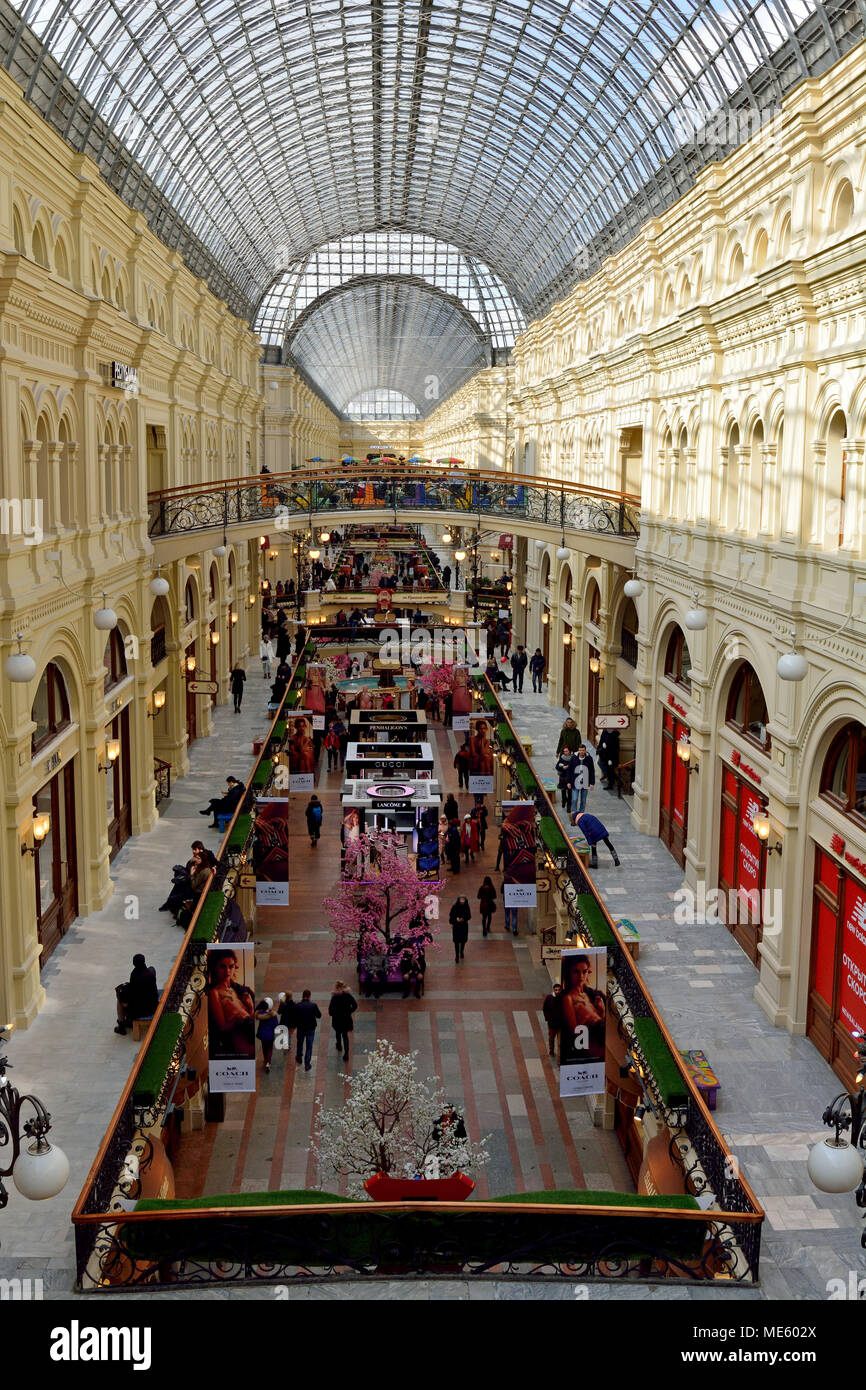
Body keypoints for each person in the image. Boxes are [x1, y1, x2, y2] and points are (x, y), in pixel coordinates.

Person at [206, 949, 255, 1058]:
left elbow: (249, 1016)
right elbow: (222, 1027)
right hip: (238, 1039)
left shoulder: (237, 990)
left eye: (231, 966)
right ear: (215, 968)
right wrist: (238, 1021)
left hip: (250, 1032)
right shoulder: (214, 992)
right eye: (222, 967)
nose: (227, 971)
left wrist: (250, 1007)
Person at [561, 955, 606, 1060]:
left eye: (584, 972)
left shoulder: (589, 995)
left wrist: (602, 1011)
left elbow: (601, 1020)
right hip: (589, 1048)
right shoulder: (568, 998)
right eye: (576, 972)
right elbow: (574, 1032)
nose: (581, 976)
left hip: (601, 1042)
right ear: (569, 973)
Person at [114, 954, 159, 1034]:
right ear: (144, 961)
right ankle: (125, 1022)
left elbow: (132, 995)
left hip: (142, 1011)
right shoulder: (151, 972)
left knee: (120, 997)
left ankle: (121, 1025)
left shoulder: (134, 975)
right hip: (153, 1005)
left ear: (134, 963)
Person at [328, 980, 358, 1063]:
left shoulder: (334, 997)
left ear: (336, 987)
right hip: (346, 1019)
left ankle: (339, 1045)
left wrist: (333, 1013)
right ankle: (346, 1054)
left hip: (337, 1019)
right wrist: (349, 1011)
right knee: (345, 1036)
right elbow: (355, 1005)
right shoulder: (348, 995)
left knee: (338, 1032)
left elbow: (330, 1010)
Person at [295, 989, 321, 1071]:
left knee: (300, 1043)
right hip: (310, 1028)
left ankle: (299, 1057)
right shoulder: (313, 1005)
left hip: (300, 1028)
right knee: (309, 1046)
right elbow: (319, 1015)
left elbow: (294, 1017)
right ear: (309, 996)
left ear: (303, 996)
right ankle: (307, 1064)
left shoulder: (298, 1005)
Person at [570, 744, 596, 817]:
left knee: (583, 800)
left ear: (585, 751)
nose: (581, 752)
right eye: (580, 750)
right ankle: (573, 816)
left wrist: (592, 783)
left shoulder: (589, 758)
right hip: (575, 782)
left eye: (583, 750)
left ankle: (580, 816)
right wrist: (569, 781)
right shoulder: (573, 758)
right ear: (578, 750)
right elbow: (570, 770)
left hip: (585, 782)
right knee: (574, 799)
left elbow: (592, 771)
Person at [255, 996, 278, 1073]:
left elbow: (256, 1012)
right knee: (270, 1048)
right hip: (270, 1035)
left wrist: (260, 1003)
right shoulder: (273, 1015)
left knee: (264, 1048)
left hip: (262, 1034)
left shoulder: (260, 1013)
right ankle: (268, 1062)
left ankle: (265, 1059)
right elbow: (276, 1025)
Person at [542, 982, 563, 1057]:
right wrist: (548, 1018)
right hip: (552, 1025)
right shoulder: (549, 998)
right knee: (551, 1039)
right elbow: (545, 1009)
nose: (557, 991)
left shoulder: (563, 998)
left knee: (560, 1043)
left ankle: (559, 1062)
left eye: (559, 990)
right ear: (553, 990)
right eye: (556, 990)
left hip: (560, 1025)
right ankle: (551, 1051)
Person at [450, 896, 471, 962]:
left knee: (463, 941)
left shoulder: (467, 907)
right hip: (456, 926)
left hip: (464, 926)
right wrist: (456, 919)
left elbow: (469, 916)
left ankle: (461, 951)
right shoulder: (455, 906)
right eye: (461, 899)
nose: (462, 901)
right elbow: (451, 915)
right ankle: (457, 956)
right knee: (456, 941)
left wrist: (463, 919)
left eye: (463, 899)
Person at [277, 991, 297, 1055]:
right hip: (291, 1023)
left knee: (285, 1035)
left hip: (284, 1022)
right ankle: (289, 1046)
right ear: (291, 996)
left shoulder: (283, 1003)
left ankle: (286, 1047)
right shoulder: (294, 1004)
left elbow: (279, 1012)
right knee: (289, 1035)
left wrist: (281, 1003)